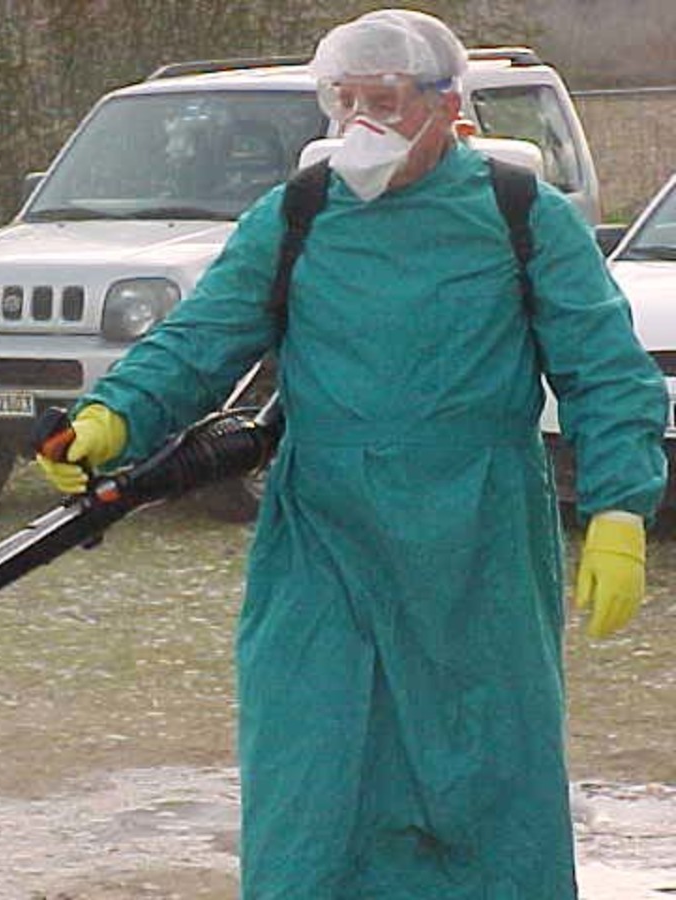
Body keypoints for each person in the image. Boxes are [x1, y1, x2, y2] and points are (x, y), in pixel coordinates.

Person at [35, 8, 668, 899]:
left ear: (451, 108)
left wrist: (617, 512)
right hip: (322, 537)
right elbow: (203, 338)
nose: (363, 122)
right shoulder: (294, 217)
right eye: (347, 100)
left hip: (475, 538)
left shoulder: (520, 216)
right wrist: (111, 417)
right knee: (312, 760)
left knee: (485, 765)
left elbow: (606, 371)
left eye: (388, 100)